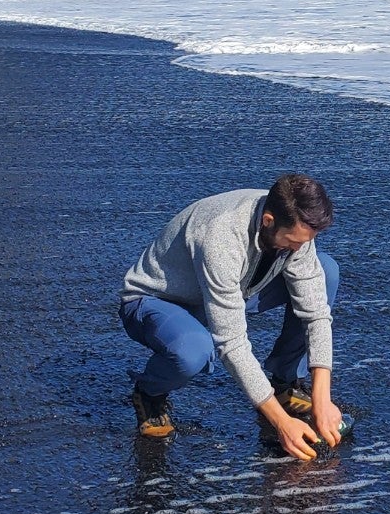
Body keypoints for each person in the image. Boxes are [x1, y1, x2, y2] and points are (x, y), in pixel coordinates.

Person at [117, 174, 343, 461]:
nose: (299, 249)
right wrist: (281, 423)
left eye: (305, 241)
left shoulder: (295, 221)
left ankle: (285, 381)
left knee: (326, 272)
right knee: (194, 350)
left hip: (236, 287)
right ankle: (149, 392)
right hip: (159, 302)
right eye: (293, 242)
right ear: (268, 220)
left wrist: (323, 400)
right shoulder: (220, 236)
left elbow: (316, 314)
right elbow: (232, 343)